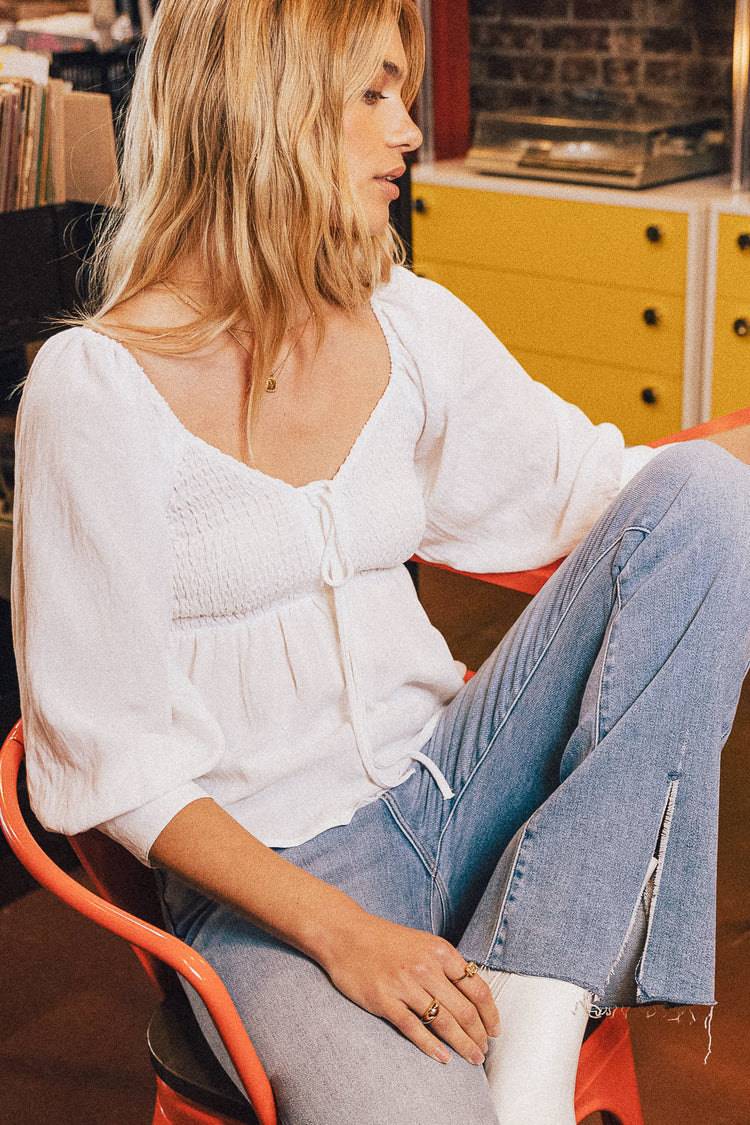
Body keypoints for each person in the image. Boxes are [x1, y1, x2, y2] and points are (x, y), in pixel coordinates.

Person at [11, 1, 750, 1122]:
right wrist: (346, 934)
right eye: (374, 94)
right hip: (274, 892)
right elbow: (107, 765)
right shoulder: (93, 391)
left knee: (705, 499)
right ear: (263, 111)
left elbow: (611, 495)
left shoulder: (404, 321)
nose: (408, 131)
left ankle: (541, 990)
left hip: (457, 783)